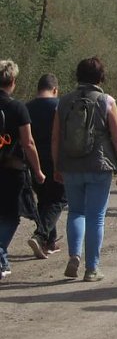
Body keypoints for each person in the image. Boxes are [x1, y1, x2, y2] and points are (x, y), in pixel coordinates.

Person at [53, 57, 117, 282]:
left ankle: (74, 256)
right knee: (96, 217)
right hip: (99, 165)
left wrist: (57, 165)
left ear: (78, 75)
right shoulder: (107, 101)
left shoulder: (63, 102)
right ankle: (92, 268)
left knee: (75, 212)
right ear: (101, 77)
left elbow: (55, 138)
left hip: (71, 165)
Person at [0, 60, 46, 280]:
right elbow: (28, 143)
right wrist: (38, 171)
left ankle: (2, 258)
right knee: (11, 216)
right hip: (12, 169)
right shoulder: (17, 107)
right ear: (12, 81)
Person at [25, 74, 66, 258]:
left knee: (44, 199)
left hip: (33, 159)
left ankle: (49, 242)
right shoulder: (60, 106)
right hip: (56, 157)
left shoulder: (27, 107)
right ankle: (40, 235)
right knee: (59, 199)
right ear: (55, 89)